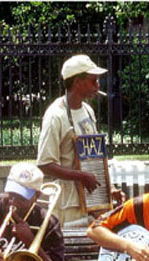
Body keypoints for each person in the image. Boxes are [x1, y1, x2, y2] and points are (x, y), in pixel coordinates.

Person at [36, 54, 107, 227]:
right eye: (93, 80)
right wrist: (81, 176)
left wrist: (107, 189)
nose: (97, 85)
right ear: (76, 82)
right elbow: (44, 164)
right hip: (68, 204)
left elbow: (94, 156)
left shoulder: (88, 111)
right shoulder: (56, 116)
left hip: (91, 199)